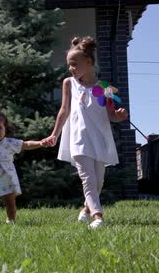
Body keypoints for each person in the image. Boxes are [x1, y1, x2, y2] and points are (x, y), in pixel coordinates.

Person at [42, 37, 128, 229]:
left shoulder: (104, 88)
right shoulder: (69, 83)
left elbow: (111, 115)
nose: (70, 68)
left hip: (100, 138)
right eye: (68, 65)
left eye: (74, 64)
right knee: (87, 178)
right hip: (79, 139)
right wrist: (54, 134)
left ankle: (86, 209)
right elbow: (63, 111)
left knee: (98, 181)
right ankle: (98, 217)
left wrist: (119, 116)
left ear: (88, 62)